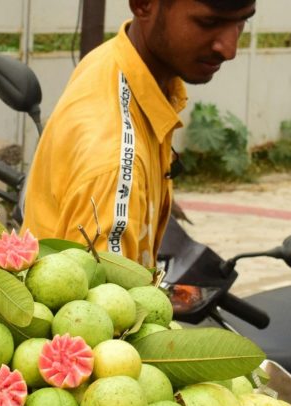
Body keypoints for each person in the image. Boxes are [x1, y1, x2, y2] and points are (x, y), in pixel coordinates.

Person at [23, 0, 256, 267]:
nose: (229, 49)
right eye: (209, 22)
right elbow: (101, 292)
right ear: (143, 4)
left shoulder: (111, 60)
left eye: (242, 21)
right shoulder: (114, 160)